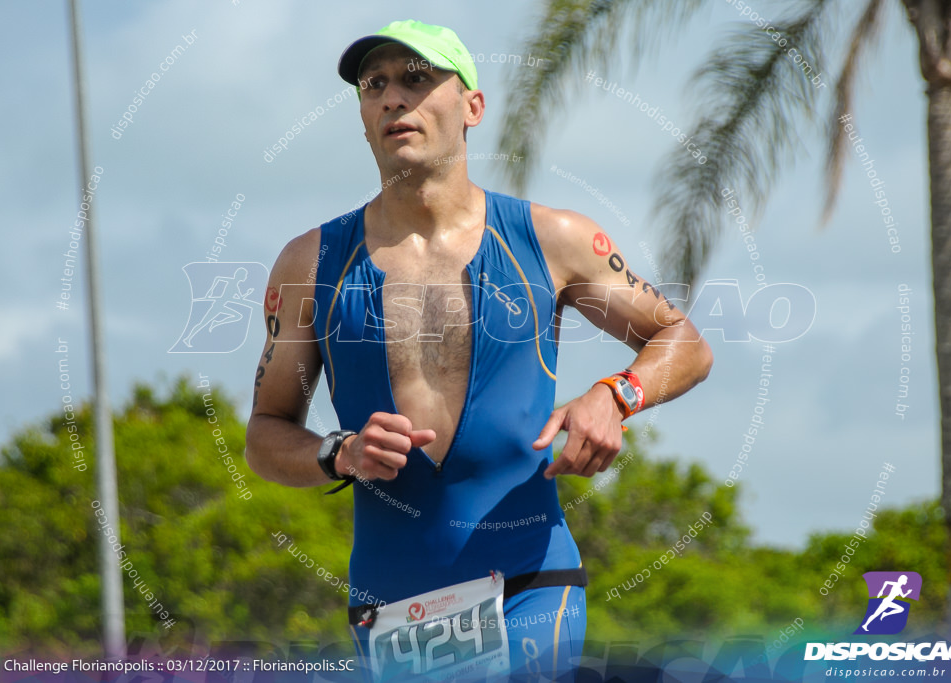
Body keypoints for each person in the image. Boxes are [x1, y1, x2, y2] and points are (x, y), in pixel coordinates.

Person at [244, 19, 713, 681]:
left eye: (416, 79)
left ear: (472, 107)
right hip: (390, 601)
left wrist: (615, 396)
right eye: (374, 85)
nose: (391, 99)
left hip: (530, 575)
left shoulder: (552, 238)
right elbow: (265, 433)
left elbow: (683, 341)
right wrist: (338, 452)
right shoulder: (310, 263)